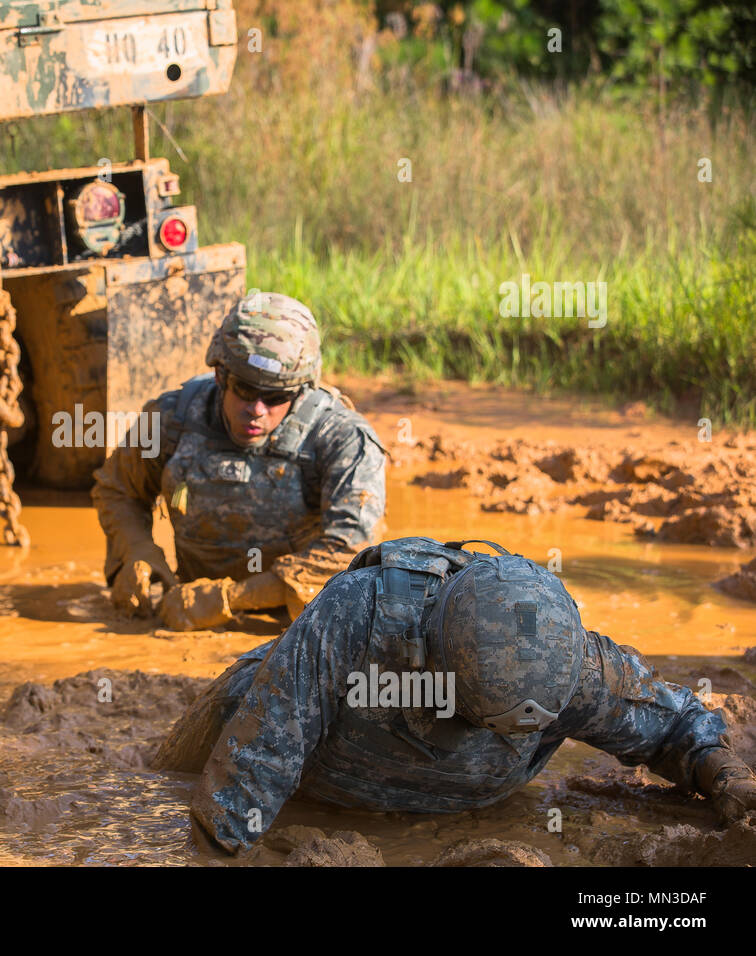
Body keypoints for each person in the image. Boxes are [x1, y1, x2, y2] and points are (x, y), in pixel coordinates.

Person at [153, 536, 756, 853]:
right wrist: (216, 846)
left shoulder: (571, 664)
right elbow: (259, 758)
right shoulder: (359, 615)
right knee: (197, 740)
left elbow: (673, 724)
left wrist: (722, 774)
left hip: (460, 796)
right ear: (426, 657)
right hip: (319, 768)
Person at [92, 291, 386, 631]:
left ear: (301, 390)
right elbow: (118, 490)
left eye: (277, 396)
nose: (257, 410)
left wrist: (229, 599)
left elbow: (351, 551)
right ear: (220, 375)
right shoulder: (171, 419)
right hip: (185, 610)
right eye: (245, 390)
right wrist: (137, 548)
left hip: (298, 623)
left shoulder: (343, 439)